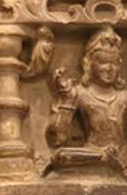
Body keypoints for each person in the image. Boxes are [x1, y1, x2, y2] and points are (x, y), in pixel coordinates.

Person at [47, 25, 127, 176]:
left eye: (115, 63)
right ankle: (106, 160)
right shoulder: (80, 93)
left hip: (121, 155)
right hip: (93, 154)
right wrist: (67, 100)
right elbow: (57, 139)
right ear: (88, 63)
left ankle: (114, 163)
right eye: (103, 61)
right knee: (62, 156)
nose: (109, 68)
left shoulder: (124, 97)